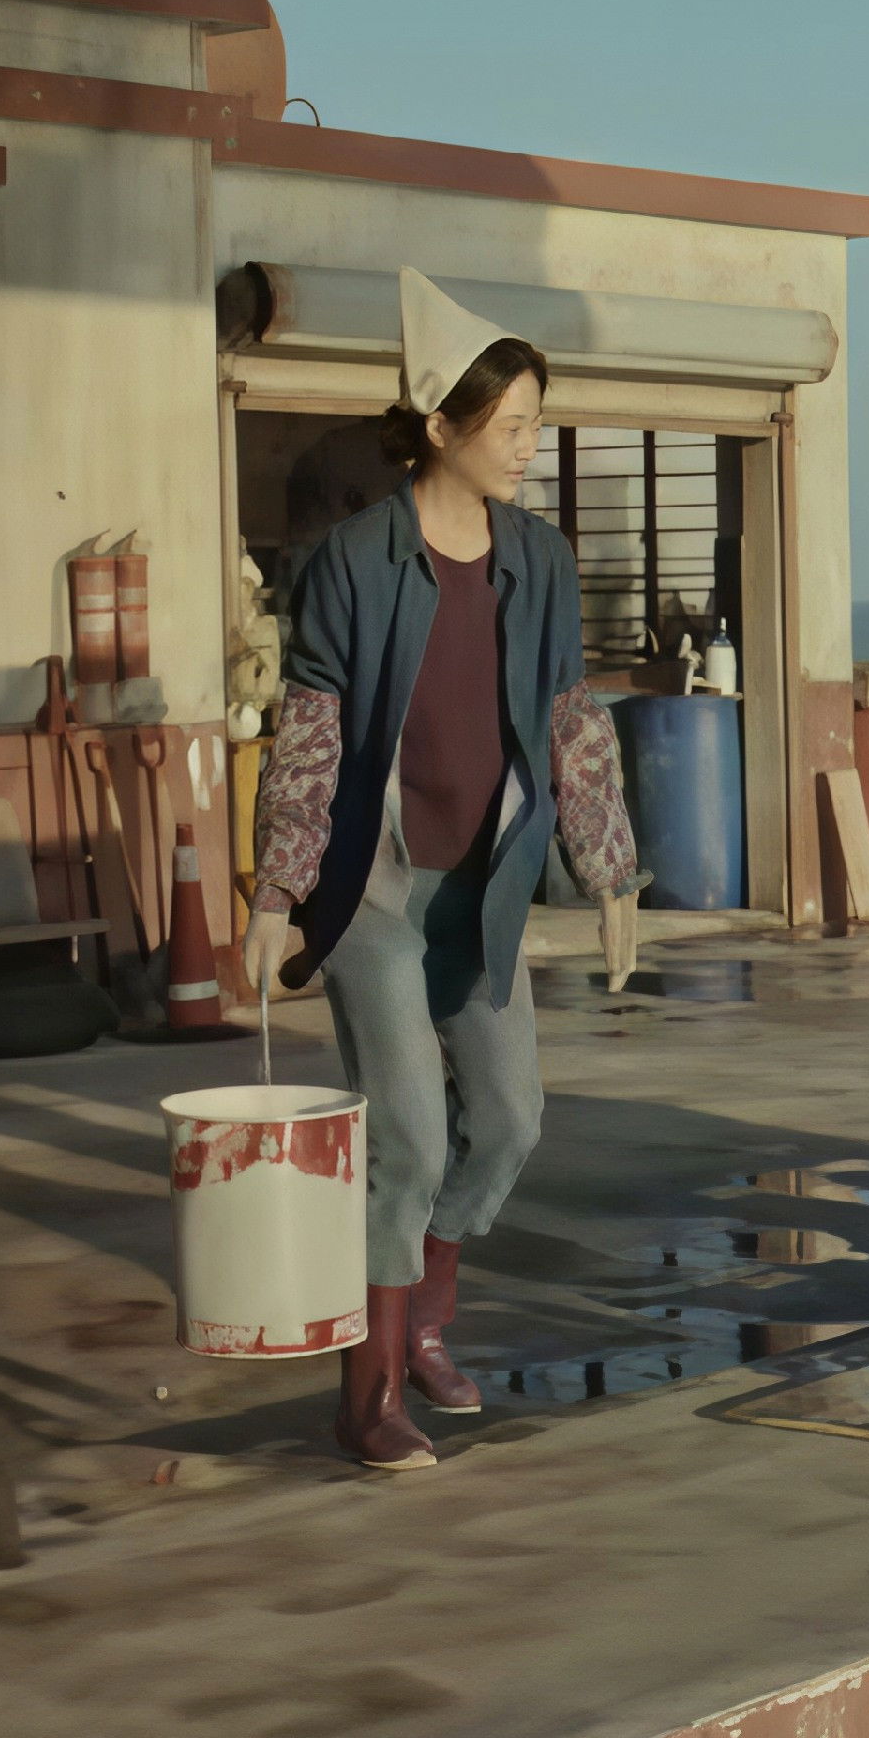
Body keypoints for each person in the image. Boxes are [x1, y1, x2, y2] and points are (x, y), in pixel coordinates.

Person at [244, 270, 646, 1471]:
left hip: (486, 886)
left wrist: (611, 871)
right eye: (511, 426)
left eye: (535, 424)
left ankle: (423, 1315)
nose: (529, 446)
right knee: (410, 1136)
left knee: (510, 1123)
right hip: (373, 888)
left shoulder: (540, 559)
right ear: (440, 425)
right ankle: (368, 1395)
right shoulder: (352, 562)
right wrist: (276, 894)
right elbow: (309, 734)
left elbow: (572, 716)